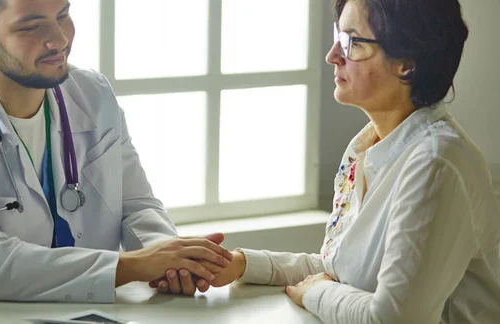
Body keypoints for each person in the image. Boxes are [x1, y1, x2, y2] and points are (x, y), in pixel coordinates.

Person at [158, 0, 500, 323]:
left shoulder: (436, 165)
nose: (333, 55)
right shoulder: (366, 146)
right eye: (339, 37)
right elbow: (340, 269)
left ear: (407, 63)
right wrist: (240, 265)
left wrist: (315, 292)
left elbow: (392, 318)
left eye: (353, 42)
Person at [0, 0, 232, 312]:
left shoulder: (92, 94)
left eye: (63, 14)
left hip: (75, 308)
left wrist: (172, 259)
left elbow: (137, 205)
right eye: (31, 26)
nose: (59, 39)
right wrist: (136, 265)